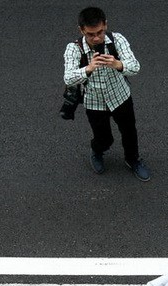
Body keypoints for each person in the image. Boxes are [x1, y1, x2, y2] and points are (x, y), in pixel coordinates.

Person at [63, 6, 150, 181]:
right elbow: (68, 78)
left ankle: (133, 160)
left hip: (120, 97)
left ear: (106, 25)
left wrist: (117, 64)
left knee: (129, 132)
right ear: (81, 30)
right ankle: (97, 150)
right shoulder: (73, 49)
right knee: (104, 138)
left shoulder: (117, 40)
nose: (96, 38)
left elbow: (135, 67)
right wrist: (88, 68)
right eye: (90, 34)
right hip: (94, 102)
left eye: (100, 32)